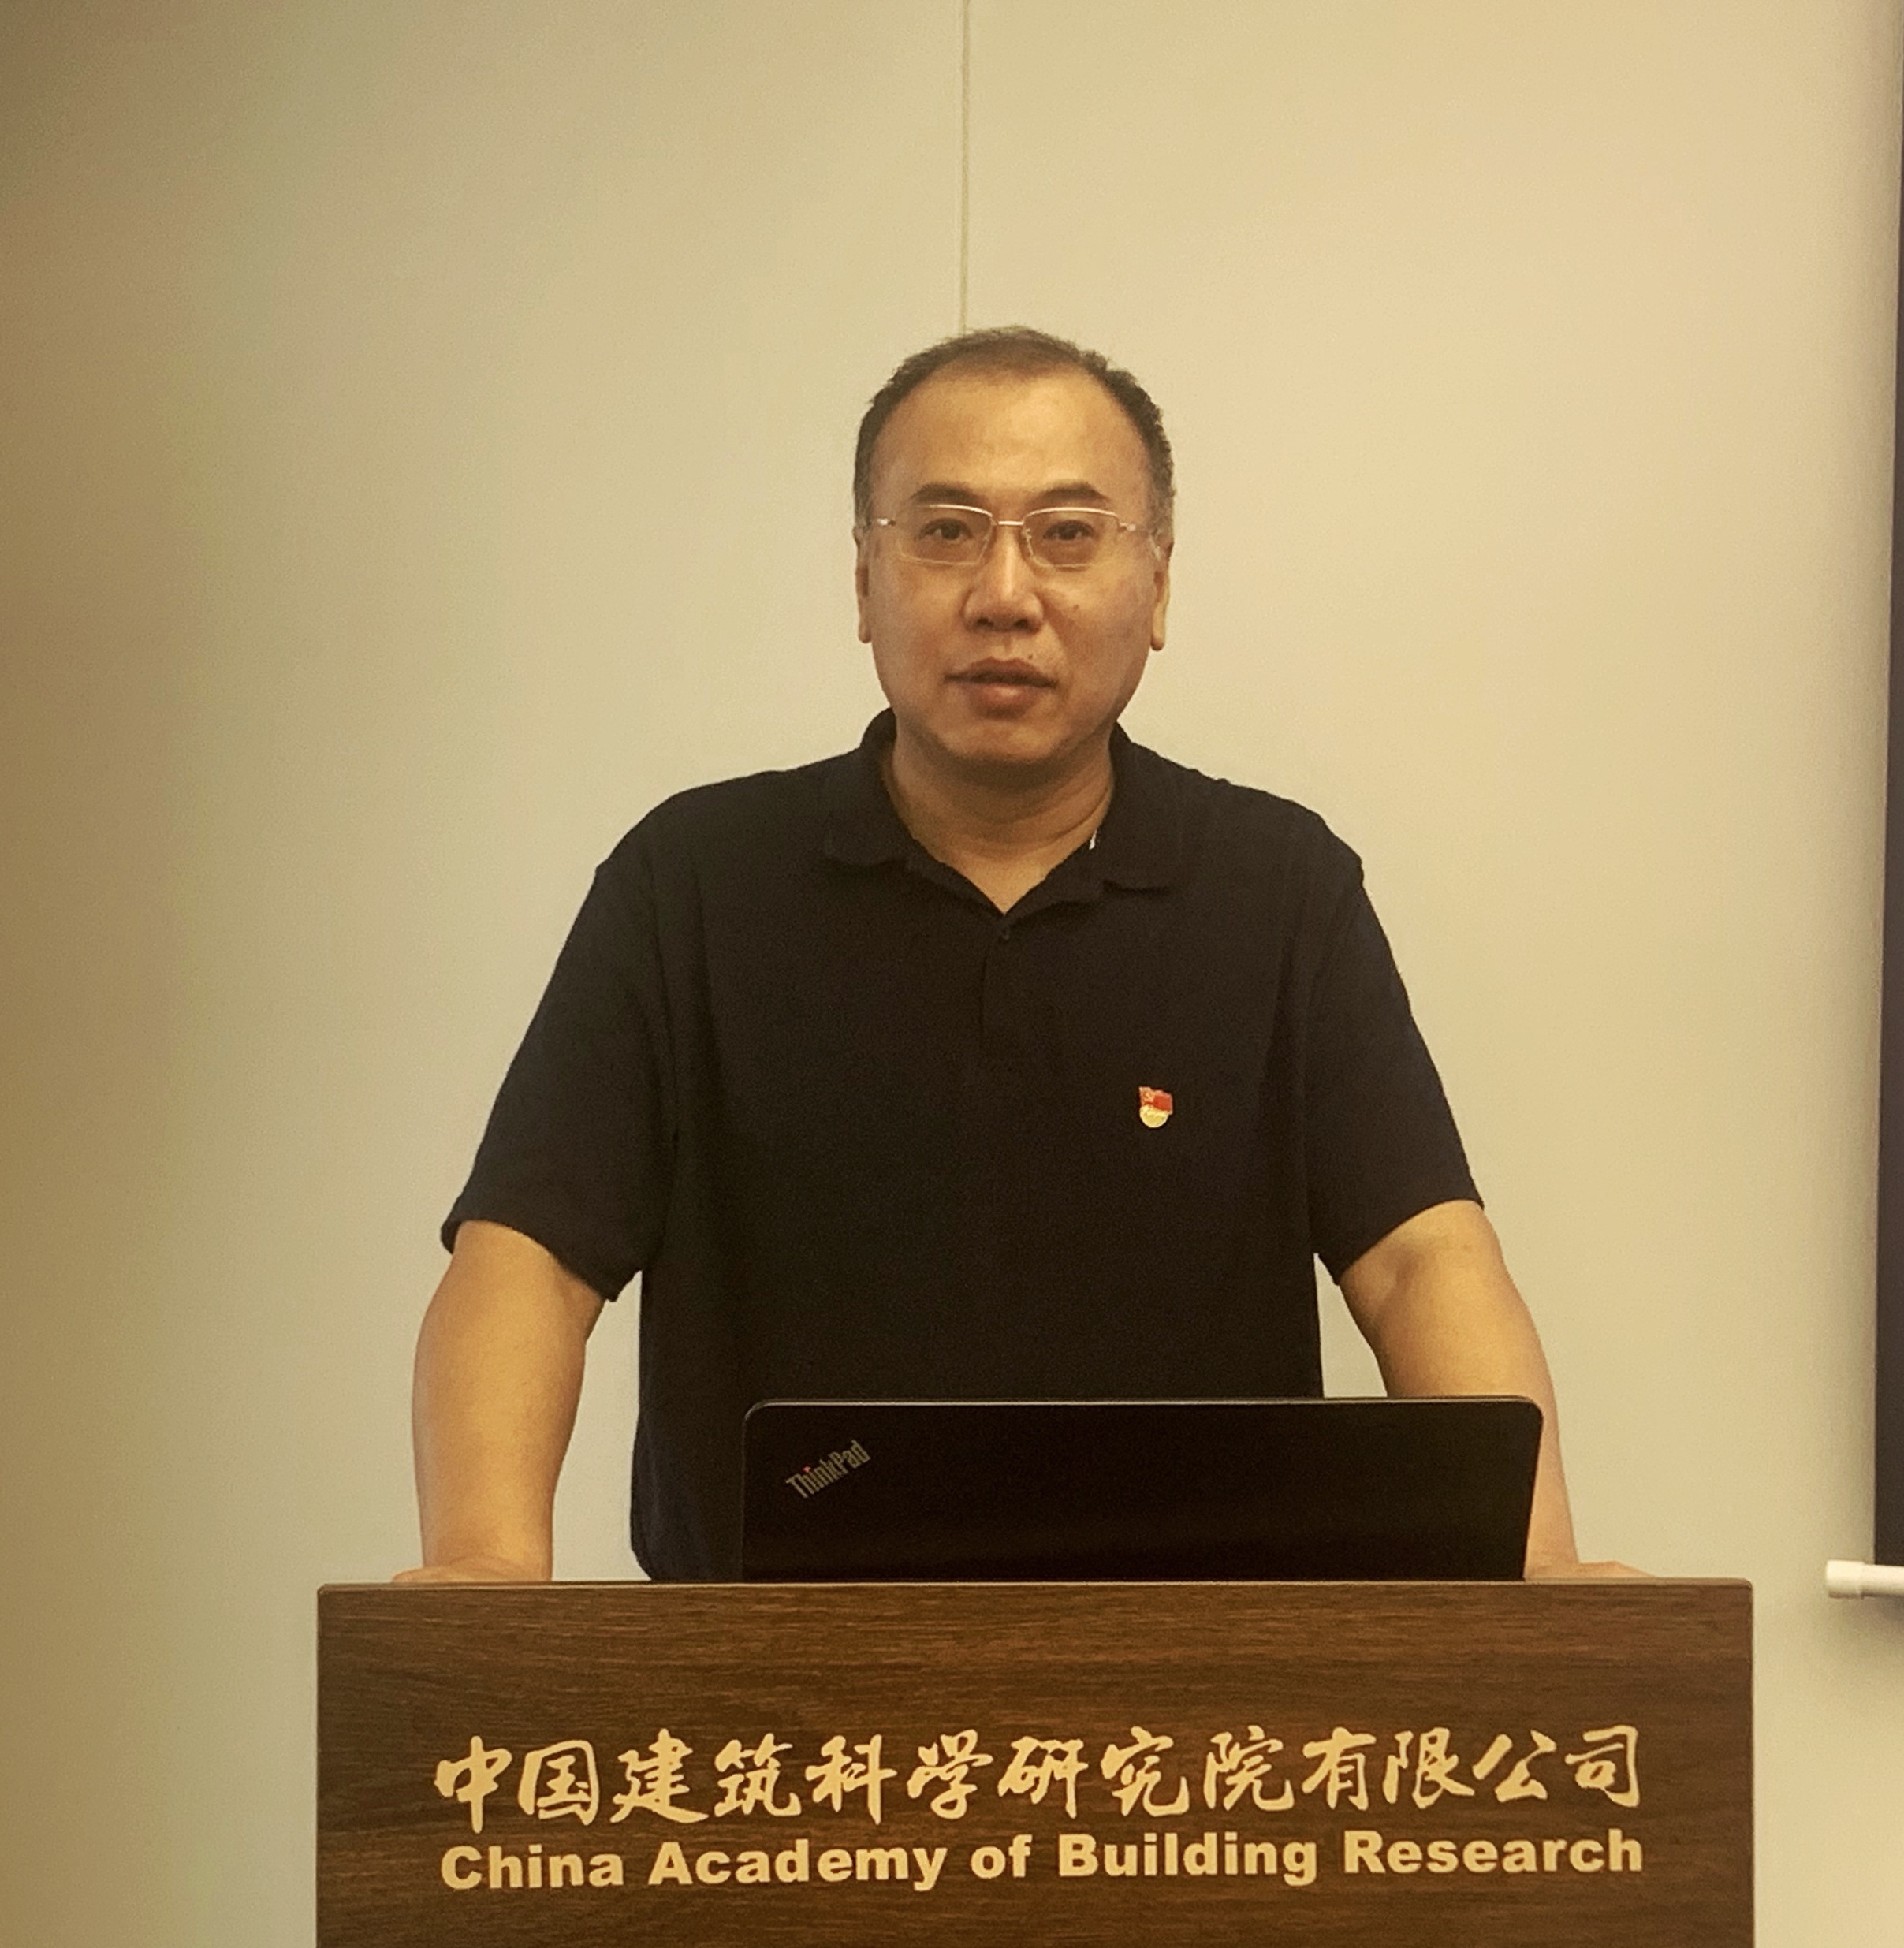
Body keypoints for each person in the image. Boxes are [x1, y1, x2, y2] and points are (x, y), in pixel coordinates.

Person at [401, 327, 1630, 1584]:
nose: (1003, 592)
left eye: (1066, 533)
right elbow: (525, 1262)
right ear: (864, 581)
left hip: (1203, 1663)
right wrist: (482, 1581)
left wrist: (1541, 1580)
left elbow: (1421, 1258)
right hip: (767, 1670)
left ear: (1156, 585)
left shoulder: (1279, 891)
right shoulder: (692, 883)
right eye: (944, 530)